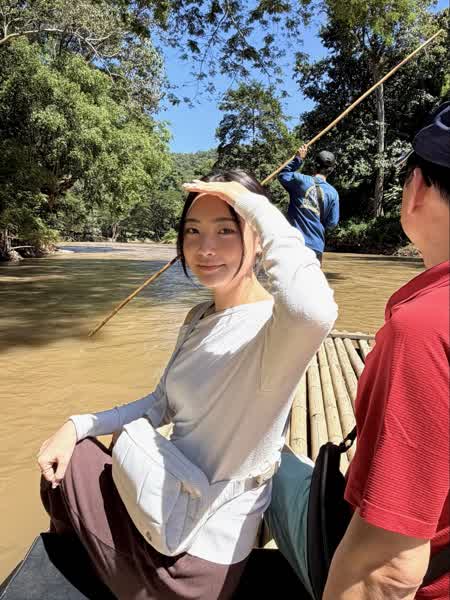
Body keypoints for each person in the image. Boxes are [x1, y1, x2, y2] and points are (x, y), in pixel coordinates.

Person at [37, 170, 337, 600]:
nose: (204, 248)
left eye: (225, 231)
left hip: (189, 567)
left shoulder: (275, 331)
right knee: (68, 446)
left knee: (66, 471)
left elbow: (316, 310)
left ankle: (80, 569)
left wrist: (255, 205)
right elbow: (160, 403)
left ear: (258, 238)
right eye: (193, 231)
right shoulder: (198, 317)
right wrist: (77, 423)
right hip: (165, 513)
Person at [265, 102, 450, 599]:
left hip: (296, 252)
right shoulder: (331, 194)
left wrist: (295, 161)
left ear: (415, 191)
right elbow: (334, 219)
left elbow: (387, 570)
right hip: (318, 250)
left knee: (268, 462)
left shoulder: (423, 331)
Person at [278, 145, 339, 263]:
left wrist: (298, 159)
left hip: (294, 244)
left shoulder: (299, 180)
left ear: (314, 166)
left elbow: (283, 175)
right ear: (331, 170)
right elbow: (332, 223)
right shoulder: (333, 193)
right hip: (316, 247)